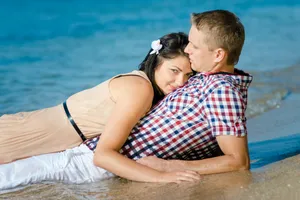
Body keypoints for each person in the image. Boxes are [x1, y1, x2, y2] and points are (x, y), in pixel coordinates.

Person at [0, 9, 253, 189]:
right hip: (83, 154)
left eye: (194, 46)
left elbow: (238, 161)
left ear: (218, 54)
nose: (187, 49)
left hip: (88, 163)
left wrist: (167, 169)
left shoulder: (222, 90)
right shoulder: (206, 81)